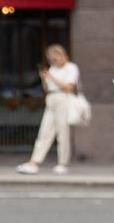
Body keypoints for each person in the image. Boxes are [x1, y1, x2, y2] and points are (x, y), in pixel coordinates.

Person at [17, 43, 81, 175]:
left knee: (63, 133)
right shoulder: (53, 68)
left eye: (56, 57)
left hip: (63, 99)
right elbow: (47, 88)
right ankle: (35, 162)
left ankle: (63, 163)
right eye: (52, 58)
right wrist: (44, 79)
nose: (55, 60)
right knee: (45, 131)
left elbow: (68, 87)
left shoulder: (71, 68)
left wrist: (52, 78)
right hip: (51, 99)